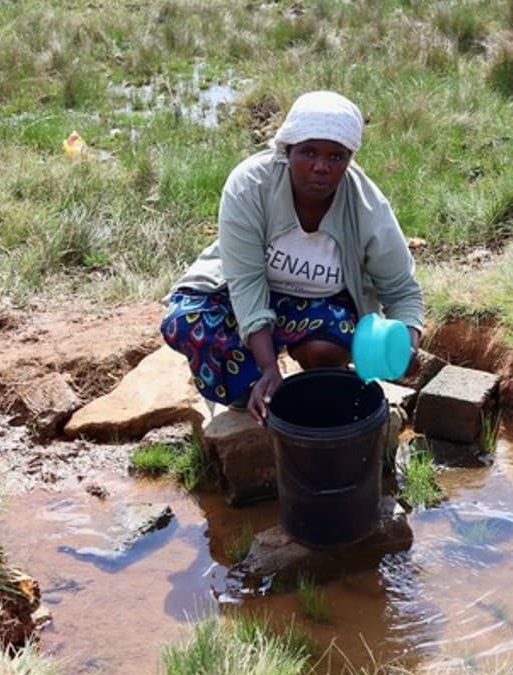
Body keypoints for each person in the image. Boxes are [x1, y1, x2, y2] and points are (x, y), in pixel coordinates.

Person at [161, 91, 423, 425]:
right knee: (186, 322)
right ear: (287, 150)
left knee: (327, 351)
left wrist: (406, 346)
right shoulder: (250, 186)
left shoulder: (367, 207)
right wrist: (268, 367)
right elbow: (246, 281)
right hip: (242, 293)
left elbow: (402, 290)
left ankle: (317, 387)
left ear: (349, 159)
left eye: (336, 156)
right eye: (309, 152)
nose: (321, 167)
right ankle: (253, 388)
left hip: (316, 305)